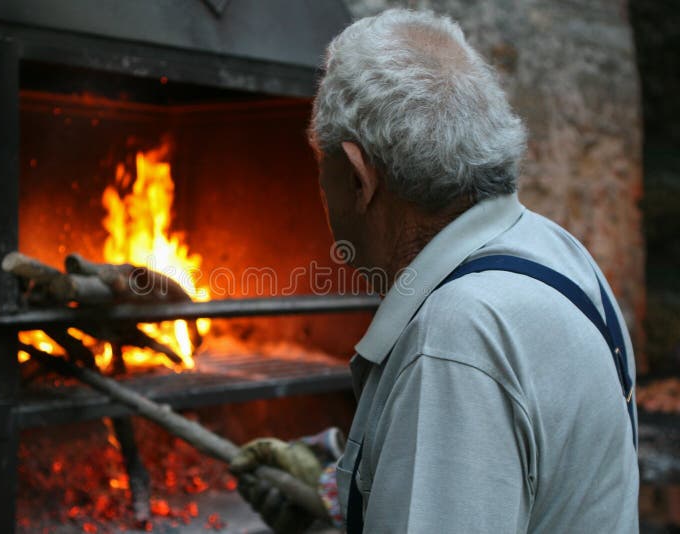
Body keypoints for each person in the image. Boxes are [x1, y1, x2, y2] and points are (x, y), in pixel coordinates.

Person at [230, 8, 639, 533]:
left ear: (358, 178)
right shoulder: (556, 252)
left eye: (321, 171)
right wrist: (345, 490)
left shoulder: (457, 337)